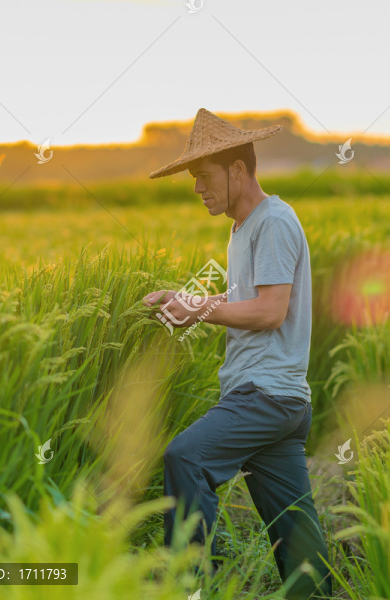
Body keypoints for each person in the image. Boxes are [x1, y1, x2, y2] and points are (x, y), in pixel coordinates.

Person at [142, 108, 333, 599]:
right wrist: (185, 300)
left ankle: (190, 590)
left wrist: (198, 314)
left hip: (264, 395)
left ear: (238, 170)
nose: (197, 188)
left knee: (185, 458)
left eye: (204, 177)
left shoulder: (273, 221)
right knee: (298, 540)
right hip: (280, 403)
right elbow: (246, 297)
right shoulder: (243, 228)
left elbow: (270, 311)